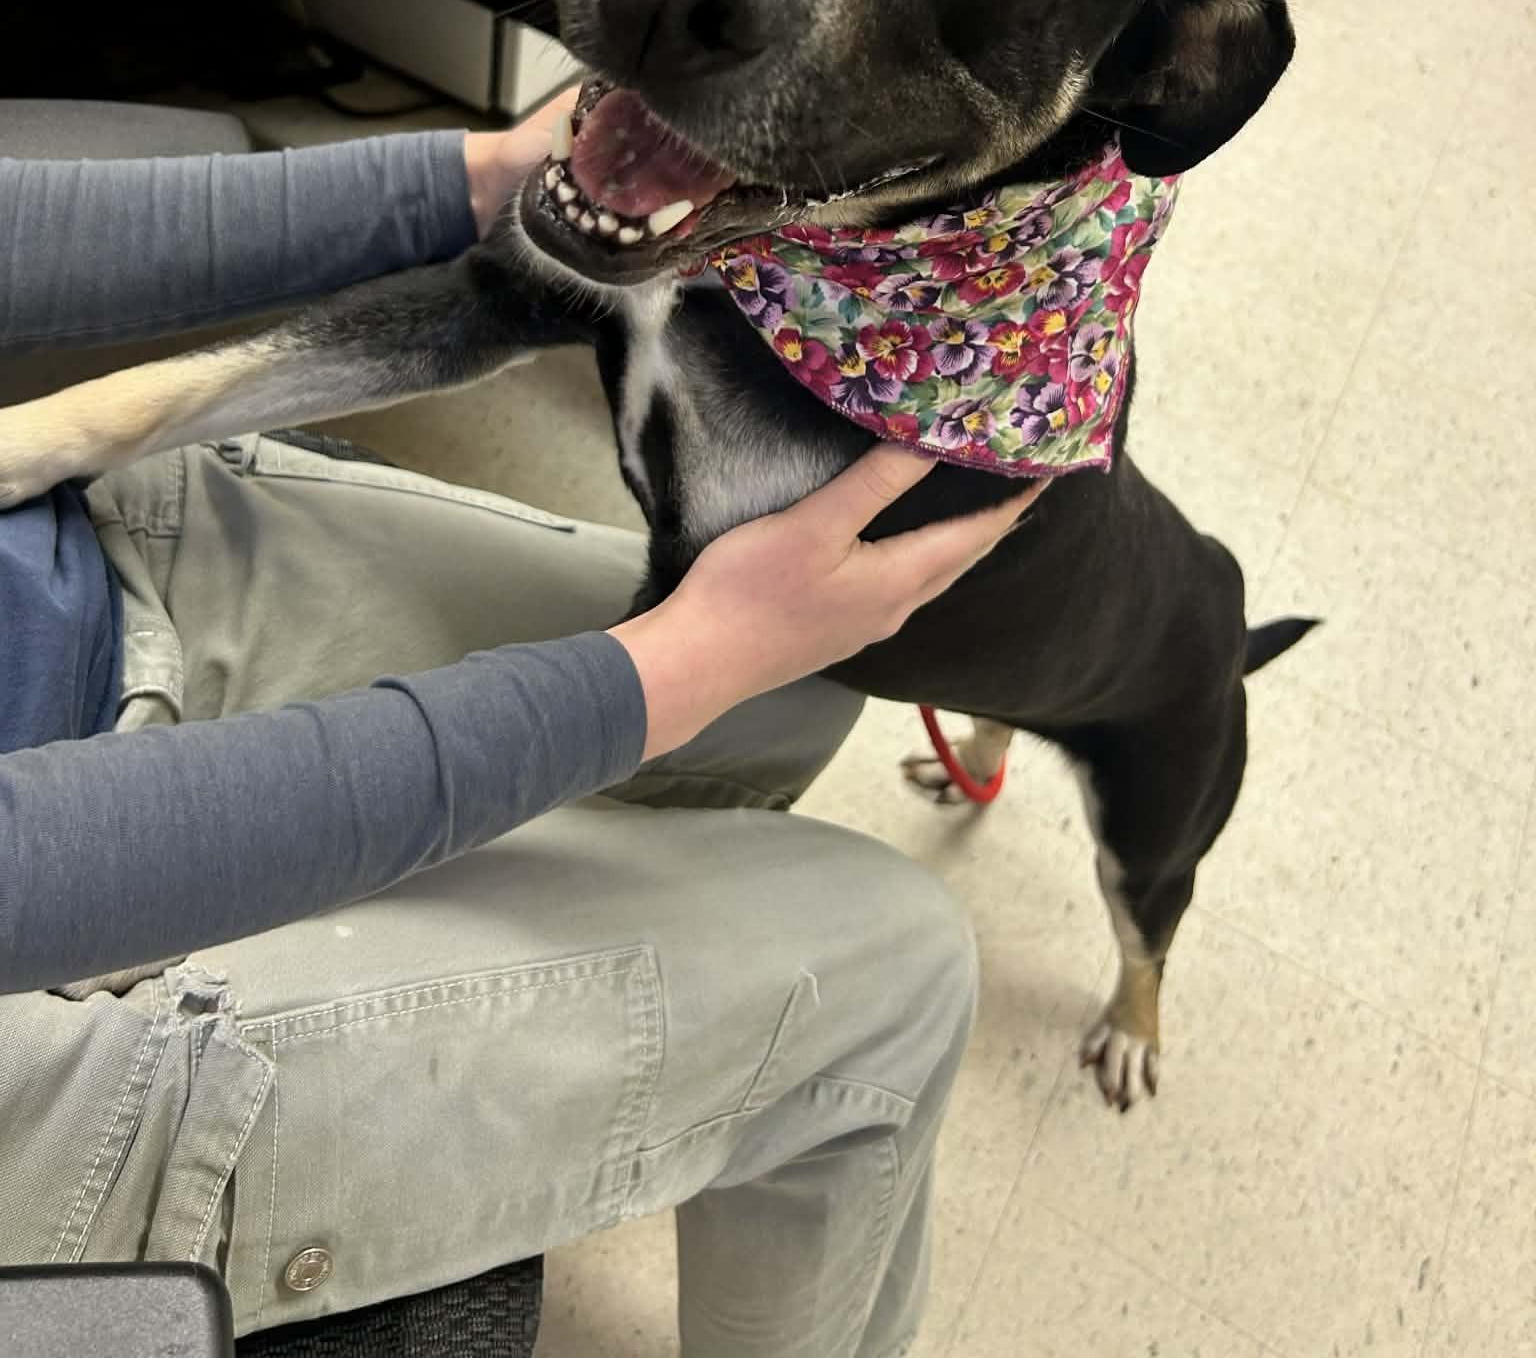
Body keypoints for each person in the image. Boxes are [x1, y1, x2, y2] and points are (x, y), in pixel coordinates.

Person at [0, 97, 1041, 1357]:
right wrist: (661, 671)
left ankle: (645, 998)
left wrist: (483, 172)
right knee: (901, 962)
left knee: (787, 697)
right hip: (32, 1003)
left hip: (78, 560)